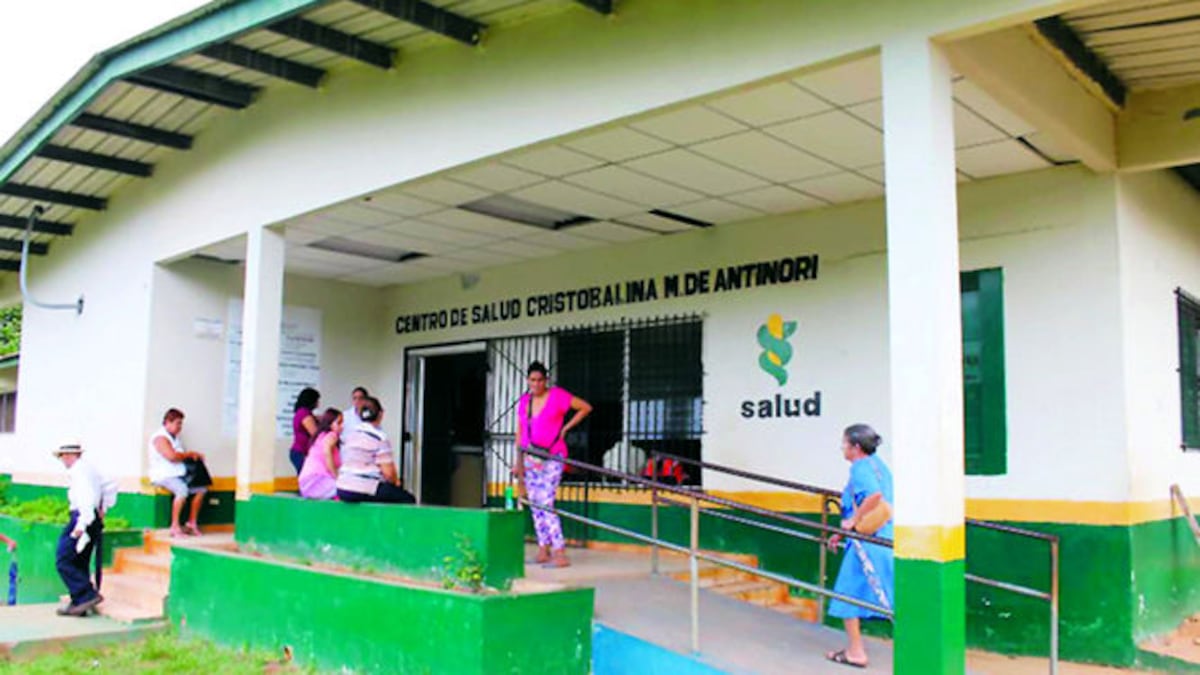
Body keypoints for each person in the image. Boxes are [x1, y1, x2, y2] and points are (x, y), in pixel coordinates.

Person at [825, 423, 894, 669]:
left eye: (844, 444)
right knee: (887, 597)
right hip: (882, 539)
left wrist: (853, 521)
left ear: (856, 447)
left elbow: (873, 496)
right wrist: (841, 533)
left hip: (867, 544)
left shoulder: (860, 469)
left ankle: (856, 652)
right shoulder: (880, 467)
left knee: (848, 594)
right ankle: (855, 649)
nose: (842, 449)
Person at [515, 361, 592, 568]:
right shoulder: (524, 401)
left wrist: (566, 427)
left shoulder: (557, 396)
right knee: (534, 501)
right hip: (530, 456)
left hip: (553, 455)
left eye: (540, 380)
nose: (536, 384)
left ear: (546, 380)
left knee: (546, 502)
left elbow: (585, 407)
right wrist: (518, 463)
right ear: (528, 381)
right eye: (532, 380)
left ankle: (560, 551)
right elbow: (520, 433)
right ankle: (543, 548)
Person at [53, 441, 117, 617]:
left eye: (63, 457)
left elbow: (86, 499)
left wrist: (82, 524)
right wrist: (104, 508)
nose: (62, 460)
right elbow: (110, 484)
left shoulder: (79, 472)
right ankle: (79, 602)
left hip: (83, 517)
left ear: (68, 455)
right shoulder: (89, 469)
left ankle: (86, 595)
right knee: (79, 560)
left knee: (64, 559)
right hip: (91, 517)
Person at [336, 397, 415, 504]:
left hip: (343, 487)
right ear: (381, 414)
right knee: (407, 499)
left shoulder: (349, 434)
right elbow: (389, 474)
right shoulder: (379, 437)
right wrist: (396, 483)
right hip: (365, 487)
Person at [149, 408, 207, 538]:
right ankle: (174, 527)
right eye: (177, 423)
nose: (180, 427)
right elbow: (172, 457)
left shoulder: (175, 438)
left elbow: (179, 456)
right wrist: (189, 454)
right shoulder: (160, 438)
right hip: (164, 475)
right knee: (182, 490)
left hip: (179, 474)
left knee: (201, 489)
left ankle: (191, 523)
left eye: (181, 424)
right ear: (167, 422)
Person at [300, 408, 343, 500]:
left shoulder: (321, 436)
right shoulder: (332, 436)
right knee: (344, 490)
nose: (342, 426)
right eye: (339, 423)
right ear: (330, 424)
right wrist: (336, 476)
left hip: (307, 482)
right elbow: (327, 454)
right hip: (317, 479)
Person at [290, 387, 321, 474]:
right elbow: (315, 433)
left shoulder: (304, 413)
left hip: (300, 451)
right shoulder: (304, 413)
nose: (318, 403)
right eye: (317, 400)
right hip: (301, 452)